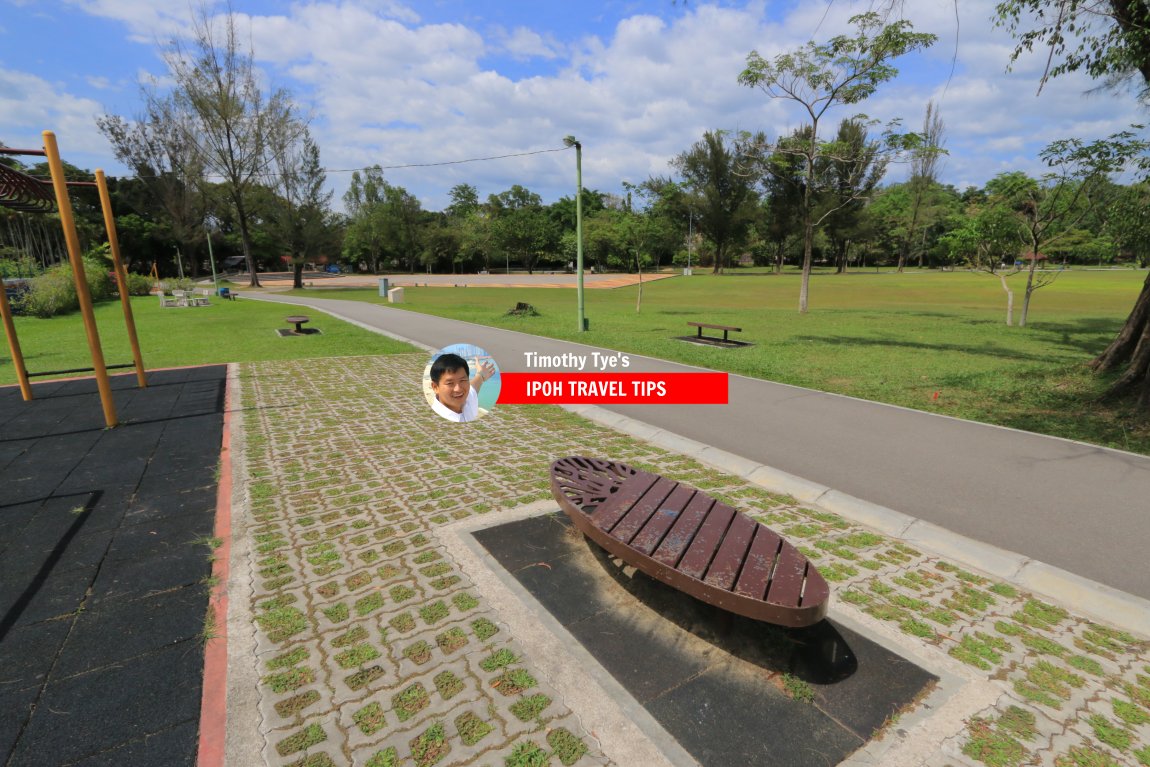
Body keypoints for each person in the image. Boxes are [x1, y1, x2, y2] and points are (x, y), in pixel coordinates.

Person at [428, 352, 495, 423]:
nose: (458, 389)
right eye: (450, 383)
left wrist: (481, 374)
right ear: (435, 387)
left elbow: (474, 385)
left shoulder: (468, 398)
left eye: (462, 380)